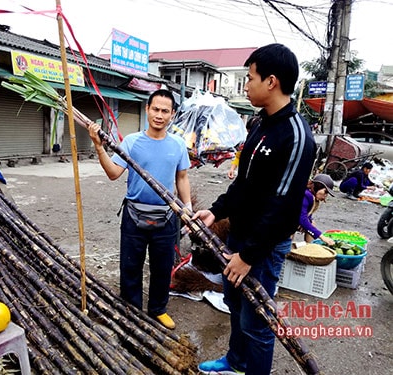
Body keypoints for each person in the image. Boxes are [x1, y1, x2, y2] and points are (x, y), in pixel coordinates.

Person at [192, 44, 316, 375]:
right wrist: (216, 212)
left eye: (249, 78)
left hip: (261, 248)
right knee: (235, 304)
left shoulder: (297, 136)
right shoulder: (259, 125)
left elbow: (283, 207)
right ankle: (236, 361)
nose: (245, 85)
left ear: (271, 81)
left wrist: (248, 256)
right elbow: (244, 185)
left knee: (258, 323)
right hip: (239, 237)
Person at [88, 89, 191, 330]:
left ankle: (158, 309)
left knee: (162, 266)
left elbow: (182, 177)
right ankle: (131, 311)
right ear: (147, 110)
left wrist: (187, 208)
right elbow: (113, 174)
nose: (159, 115)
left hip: (167, 216)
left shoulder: (177, 144)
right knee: (130, 266)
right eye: (155, 109)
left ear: (172, 114)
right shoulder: (132, 142)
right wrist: (99, 147)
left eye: (165, 111)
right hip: (134, 214)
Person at [297, 174, 336, 246]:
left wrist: (310, 220)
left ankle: (310, 247)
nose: (325, 196)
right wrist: (322, 236)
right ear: (318, 186)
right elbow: (302, 218)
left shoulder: (312, 196)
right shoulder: (305, 195)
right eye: (325, 192)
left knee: (311, 223)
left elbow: (307, 214)